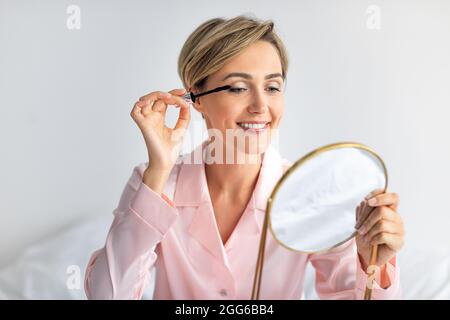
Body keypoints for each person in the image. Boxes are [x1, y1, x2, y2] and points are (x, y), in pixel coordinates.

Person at [84, 15, 404, 300]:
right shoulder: (153, 183)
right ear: (195, 96)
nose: (260, 106)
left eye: (273, 88)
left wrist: (371, 262)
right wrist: (159, 170)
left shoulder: (313, 195)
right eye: (238, 88)